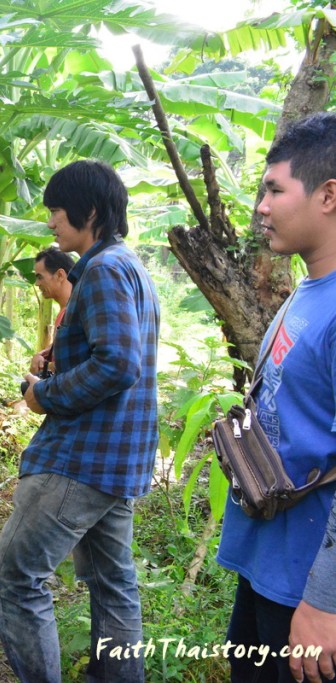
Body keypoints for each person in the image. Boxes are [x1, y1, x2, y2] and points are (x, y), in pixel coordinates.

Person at [0, 160, 160, 683]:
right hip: (118, 460)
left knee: (14, 580)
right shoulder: (130, 267)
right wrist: (61, 359)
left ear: (87, 212)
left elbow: (118, 364)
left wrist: (45, 394)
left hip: (81, 459)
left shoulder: (103, 271)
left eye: (57, 213)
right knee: (113, 585)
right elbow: (116, 354)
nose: (51, 225)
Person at [216, 112, 336, 683]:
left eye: (274, 189)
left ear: (328, 195)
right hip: (267, 564)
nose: (260, 206)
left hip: (308, 593)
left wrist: (323, 604)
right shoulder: (307, 291)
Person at [29, 247, 76, 376]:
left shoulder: (72, 314)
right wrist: (41, 355)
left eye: (40, 277)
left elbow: (71, 364)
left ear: (60, 275)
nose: (37, 283)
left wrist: (44, 366)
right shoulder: (65, 312)